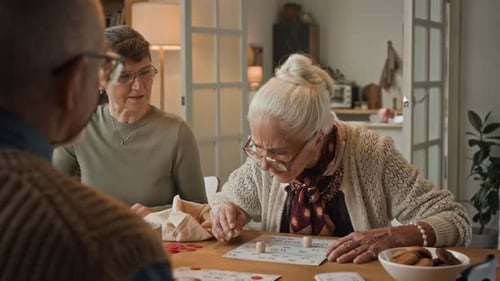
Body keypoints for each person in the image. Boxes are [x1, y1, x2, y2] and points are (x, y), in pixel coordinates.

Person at [210, 54, 471, 264]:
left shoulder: (372, 154)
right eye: (256, 146)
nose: (264, 165)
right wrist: (228, 213)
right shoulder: (264, 158)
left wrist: (394, 236)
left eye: (279, 153)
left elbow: (454, 219)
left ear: (317, 140)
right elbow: (229, 199)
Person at [0, 1, 174, 280]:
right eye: (106, 69)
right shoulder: (118, 248)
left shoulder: (173, 130)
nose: (137, 85)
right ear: (77, 80)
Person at [53, 25, 206, 216]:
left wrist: (154, 214)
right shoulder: (78, 126)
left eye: (145, 72)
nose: (138, 86)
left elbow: (200, 210)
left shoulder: (177, 132)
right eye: (124, 76)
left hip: (157, 242)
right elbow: (51, 198)